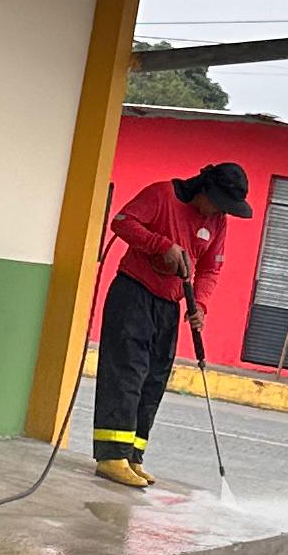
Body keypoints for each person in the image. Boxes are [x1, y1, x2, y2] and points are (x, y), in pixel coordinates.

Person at [90, 158, 251, 487]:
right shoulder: (162, 195)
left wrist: (200, 305)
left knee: (153, 380)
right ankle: (111, 456)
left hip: (168, 306)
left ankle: (133, 455)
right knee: (127, 373)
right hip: (134, 295)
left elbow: (210, 268)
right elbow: (122, 222)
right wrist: (161, 246)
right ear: (204, 189)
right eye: (218, 203)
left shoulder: (218, 220)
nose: (218, 212)